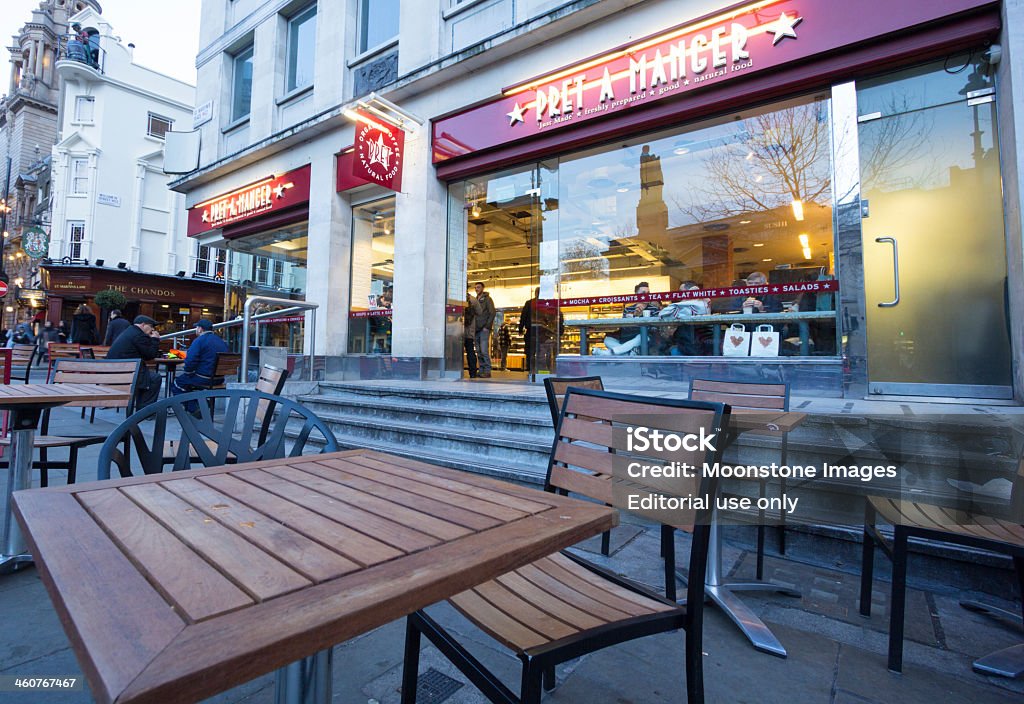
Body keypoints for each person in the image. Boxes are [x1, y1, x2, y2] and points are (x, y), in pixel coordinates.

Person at [171, 319, 229, 412]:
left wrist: (187, 372)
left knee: (177, 384)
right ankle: (201, 403)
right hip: (219, 378)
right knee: (187, 382)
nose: (196, 329)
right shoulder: (221, 341)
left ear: (200, 329)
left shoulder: (199, 340)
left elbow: (190, 361)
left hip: (204, 378)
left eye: (196, 327)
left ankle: (195, 408)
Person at [107, 314, 162, 409]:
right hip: (126, 374)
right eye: (151, 326)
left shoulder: (130, 331)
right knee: (155, 378)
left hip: (115, 371)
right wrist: (155, 339)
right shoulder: (139, 335)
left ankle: (141, 407)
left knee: (147, 376)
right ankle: (145, 410)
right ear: (143, 325)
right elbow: (150, 355)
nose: (153, 330)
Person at [597, 281, 660, 355]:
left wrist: (638, 319)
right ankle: (628, 352)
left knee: (641, 336)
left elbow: (654, 329)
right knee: (608, 340)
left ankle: (612, 352)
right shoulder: (628, 309)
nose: (646, 295)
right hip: (628, 338)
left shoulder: (654, 309)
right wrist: (635, 316)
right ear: (636, 295)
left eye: (648, 293)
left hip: (644, 338)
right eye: (643, 293)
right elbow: (625, 328)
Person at [473, 281, 495, 378]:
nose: (476, 289)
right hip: (476, 329)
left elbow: (492, 313)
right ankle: (481, 370)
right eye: (476, 287)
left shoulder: (487, 300)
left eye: (478, 287)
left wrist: (487, 326)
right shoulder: (475, 300)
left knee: (484, 350)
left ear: (483, 288)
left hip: (484, 329)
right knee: (478, 351)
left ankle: (487, 370)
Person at [463, 294, 480, 378]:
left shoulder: (454, 296)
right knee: (470, 351)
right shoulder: (473, 300)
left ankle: (454, 371)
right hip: (469, 330)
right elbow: (479, 312)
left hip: (456, 330)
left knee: (455, 353)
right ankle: (473, 373)